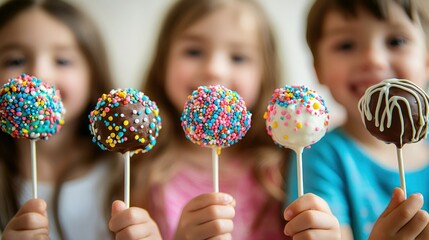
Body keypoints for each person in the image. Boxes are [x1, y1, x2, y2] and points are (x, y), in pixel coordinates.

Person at [107, 0, 340, 239]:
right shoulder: (140, 170)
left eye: (238, 57)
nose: (214, 69)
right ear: (162, 64)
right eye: (194, 51)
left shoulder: (288, 164)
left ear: (265, 73)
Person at [0, 0, 161, 239]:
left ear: (93, 75)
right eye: (15, 60)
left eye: (63, 60)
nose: (40, 73)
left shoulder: (128, 172)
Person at [287, 0, 429, 239]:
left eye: (397, 41)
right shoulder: (320, 155)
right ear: (317, 68)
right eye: (346, 45)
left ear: (427, 60)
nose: (373, 59)